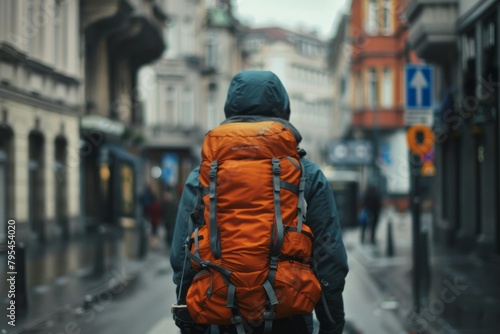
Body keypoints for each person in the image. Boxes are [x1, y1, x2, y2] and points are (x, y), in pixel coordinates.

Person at [170, 71, 348, 334]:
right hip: (289, 317)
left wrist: (191, 323)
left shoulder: (202, 176)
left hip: (221, 317)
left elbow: (182, 256)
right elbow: (329, 259)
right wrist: (332, 325)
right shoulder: (306, 174)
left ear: (230, 110)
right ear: (283, 110)